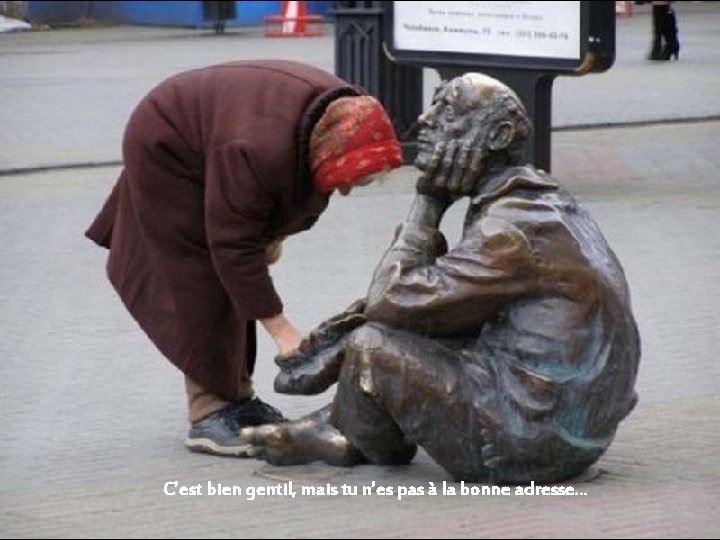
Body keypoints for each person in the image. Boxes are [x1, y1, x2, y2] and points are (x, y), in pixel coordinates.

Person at [238, 73, 641, 484]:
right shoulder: (544, 204)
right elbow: (437, 311)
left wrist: (427, 203)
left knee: (371, 345)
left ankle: (358, 438)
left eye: (449, 112)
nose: (425, 119)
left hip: (526, 443)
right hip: (575, 432)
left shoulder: (509, 230)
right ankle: (338, 421)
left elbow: (390, 299)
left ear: (499, 135)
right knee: (422, 325)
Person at [85, 60, 403, 457]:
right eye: (350, 179)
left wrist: (268, 237)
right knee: (202, 278)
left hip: (218, 132)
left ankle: (239, 399)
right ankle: (209, 414)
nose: (349, 192)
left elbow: (257, 221)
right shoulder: (257, 148)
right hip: (168, 143)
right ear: (327, 152)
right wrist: (283, 331)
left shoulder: (344, 116)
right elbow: (232, 246)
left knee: (237, 275)